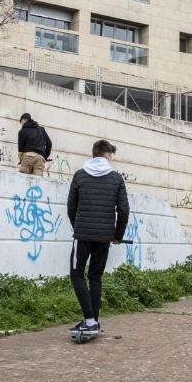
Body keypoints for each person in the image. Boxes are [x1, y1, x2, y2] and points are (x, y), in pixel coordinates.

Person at [67, 139, 130, 336]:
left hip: (83, 234)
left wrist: (78, 227)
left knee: (77, 274)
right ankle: (92, 320)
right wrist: (117, 236)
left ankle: (90, 320)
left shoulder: (79, 175)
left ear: (94, 153)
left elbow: (71, 207)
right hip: (104, 237)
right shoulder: (116, 178)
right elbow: (124, 211)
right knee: (95, 277)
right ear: (107, 155)